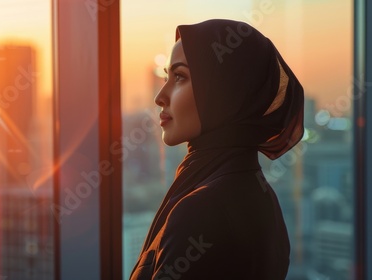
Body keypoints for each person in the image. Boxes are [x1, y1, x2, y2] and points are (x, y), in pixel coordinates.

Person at [129, 19, 304, 280]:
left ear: (225, 91)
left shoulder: (199, 211)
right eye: (167, 77)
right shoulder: (261, 194)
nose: (160, 96)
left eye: (180, 77)